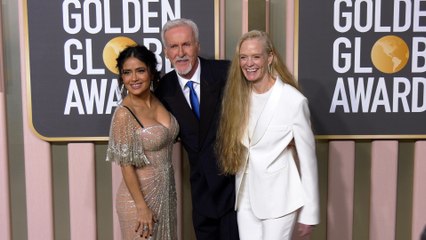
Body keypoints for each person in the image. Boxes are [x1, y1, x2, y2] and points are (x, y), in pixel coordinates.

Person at [216, 30, 320, 240]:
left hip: (279, 199)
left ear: (270, 57)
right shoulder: (238, 97)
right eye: (243, 57)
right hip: (245, 196)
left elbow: (308, 160)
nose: (249, 63)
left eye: (256, 56)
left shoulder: (293, 101)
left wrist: (310, 212)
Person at [155, 18, 239, 240]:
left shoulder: (226, 72)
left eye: (186, 44)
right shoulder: (164, 89)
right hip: (202, 192)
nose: (180, 52)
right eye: (174, 46)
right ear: (166, 52)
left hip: (237, 189)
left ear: (197, 46)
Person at [106, 45, 179, 240]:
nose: (134, 78)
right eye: (127, 73)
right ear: (122, 78)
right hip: (138, 201)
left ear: (151, 72)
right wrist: (141, 207)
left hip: (166, 194)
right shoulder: (124, 114)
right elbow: (126, 165)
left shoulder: (160, 100)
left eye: (140, 70)